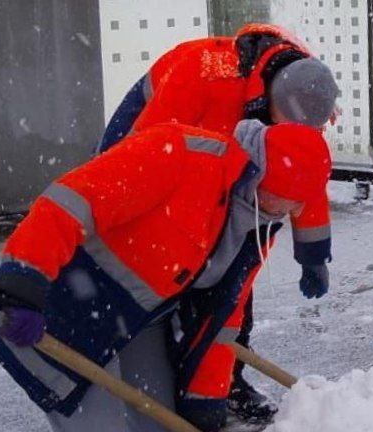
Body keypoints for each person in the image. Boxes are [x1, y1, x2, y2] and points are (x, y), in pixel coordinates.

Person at [0, 62, 338, 432]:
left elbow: (223, 315)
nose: (297, 213)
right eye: (291, 202)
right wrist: (22, 280)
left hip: (140, 318)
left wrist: (206, 398)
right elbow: (71, 202)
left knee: (159, 423)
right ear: (262, 180)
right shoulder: (181, 156)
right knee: (100, 426)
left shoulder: (255, 222)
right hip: (57, 301)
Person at [97, 22, 325, 423]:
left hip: (219, 165)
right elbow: (144, 156)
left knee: (232, 276)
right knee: (171, 260)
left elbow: (303, 173)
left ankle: (223, 380)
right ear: (272, 100)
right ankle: (145, 358)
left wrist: (313, 253)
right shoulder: (206, 76)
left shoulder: (305, 94)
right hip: (154, 150)